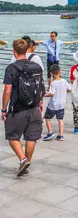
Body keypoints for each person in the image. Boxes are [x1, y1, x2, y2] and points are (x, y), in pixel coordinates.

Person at [3, 39, 45, 177]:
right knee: (31, 138)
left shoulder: (11, 68)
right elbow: (41, 87)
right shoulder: (36, 67)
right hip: (35, 108)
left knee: (12, 136)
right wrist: (40, 102)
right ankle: (26, 163)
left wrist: (4, 109)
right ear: (27, 50)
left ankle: (23, 160)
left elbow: (7, 91)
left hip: (18, 109)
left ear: (14, 51)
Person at [42, 64, 70, 141]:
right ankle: (60, 135)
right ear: (60, 72)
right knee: (60, 119)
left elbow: (51, 93)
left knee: (47, 118)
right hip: (61, 104)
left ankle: (50, 133)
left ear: (51, 73)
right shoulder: (64, 81)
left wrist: (44, 95)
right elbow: (69, 89)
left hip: (53, 105)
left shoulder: (53, 83)